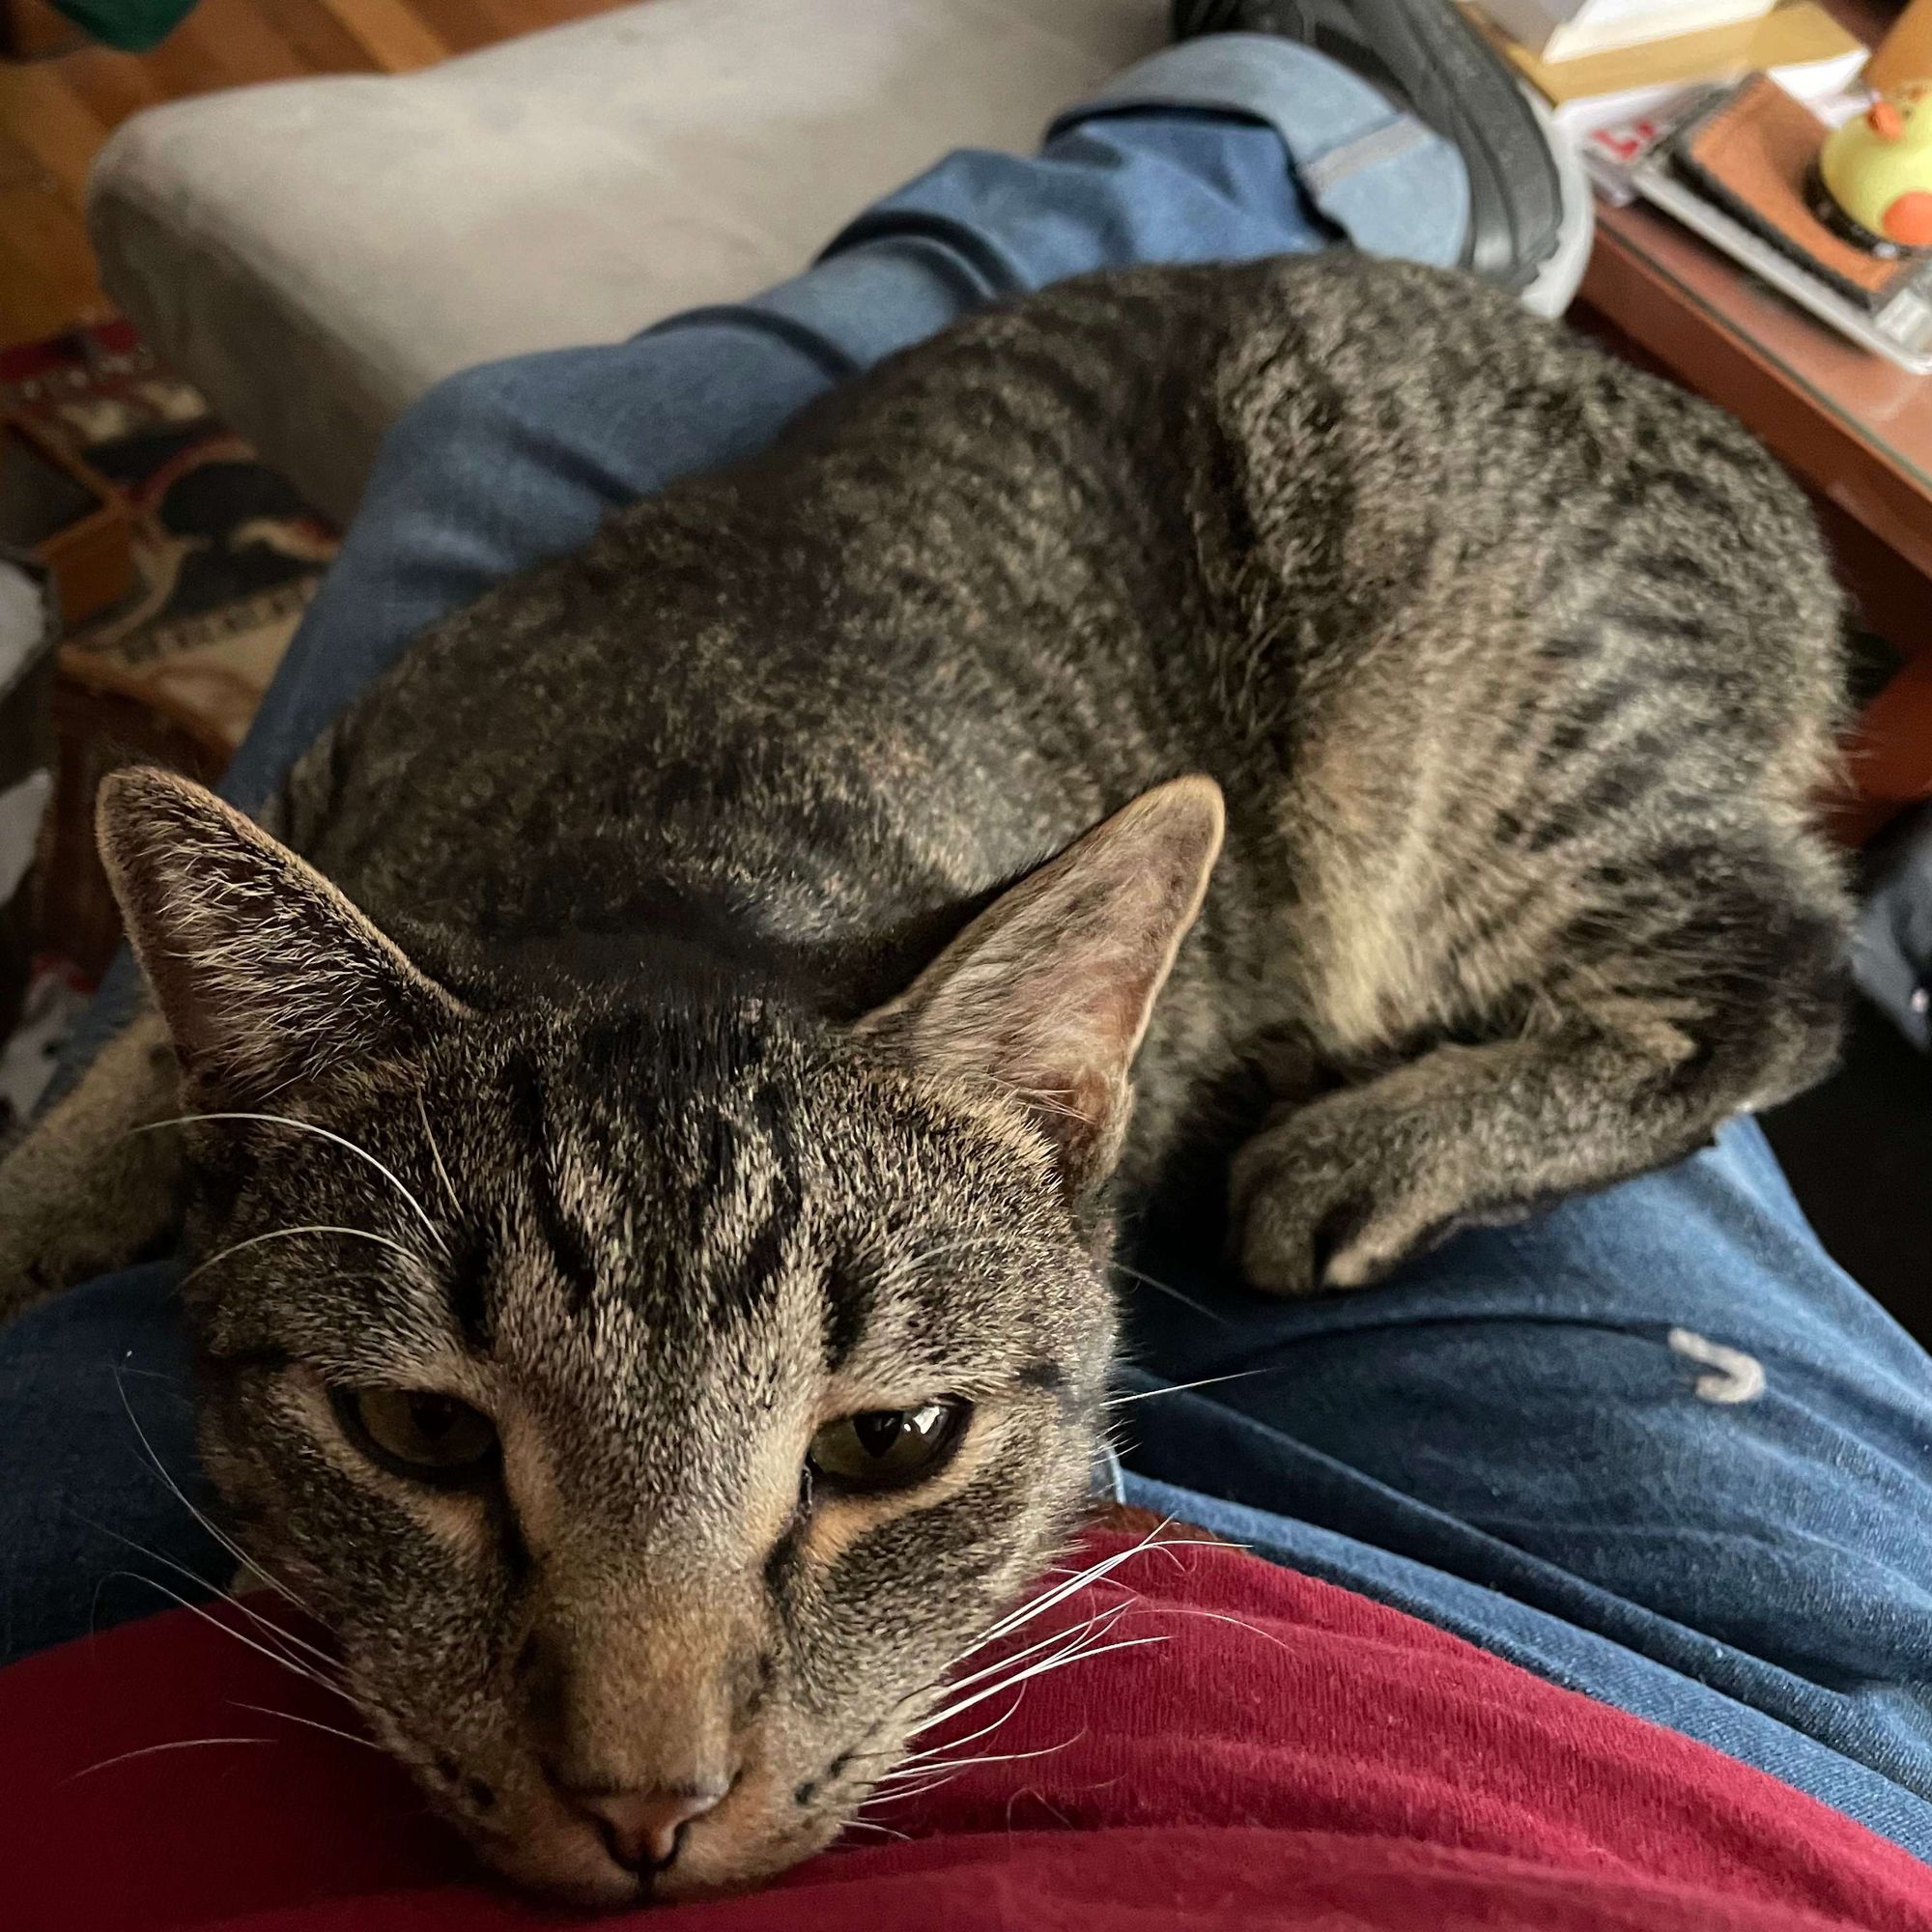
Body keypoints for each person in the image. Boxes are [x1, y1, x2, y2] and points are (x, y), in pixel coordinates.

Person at [3, 2, 1929, 1918]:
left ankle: (1331, 128)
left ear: (1057, 1093)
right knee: (492, 441)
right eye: (431, 1431)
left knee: (497, 440)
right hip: (1741, 1740)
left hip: (1319, 497)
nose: (643, 1759)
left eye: (882, 1440)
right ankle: (1326, 116)